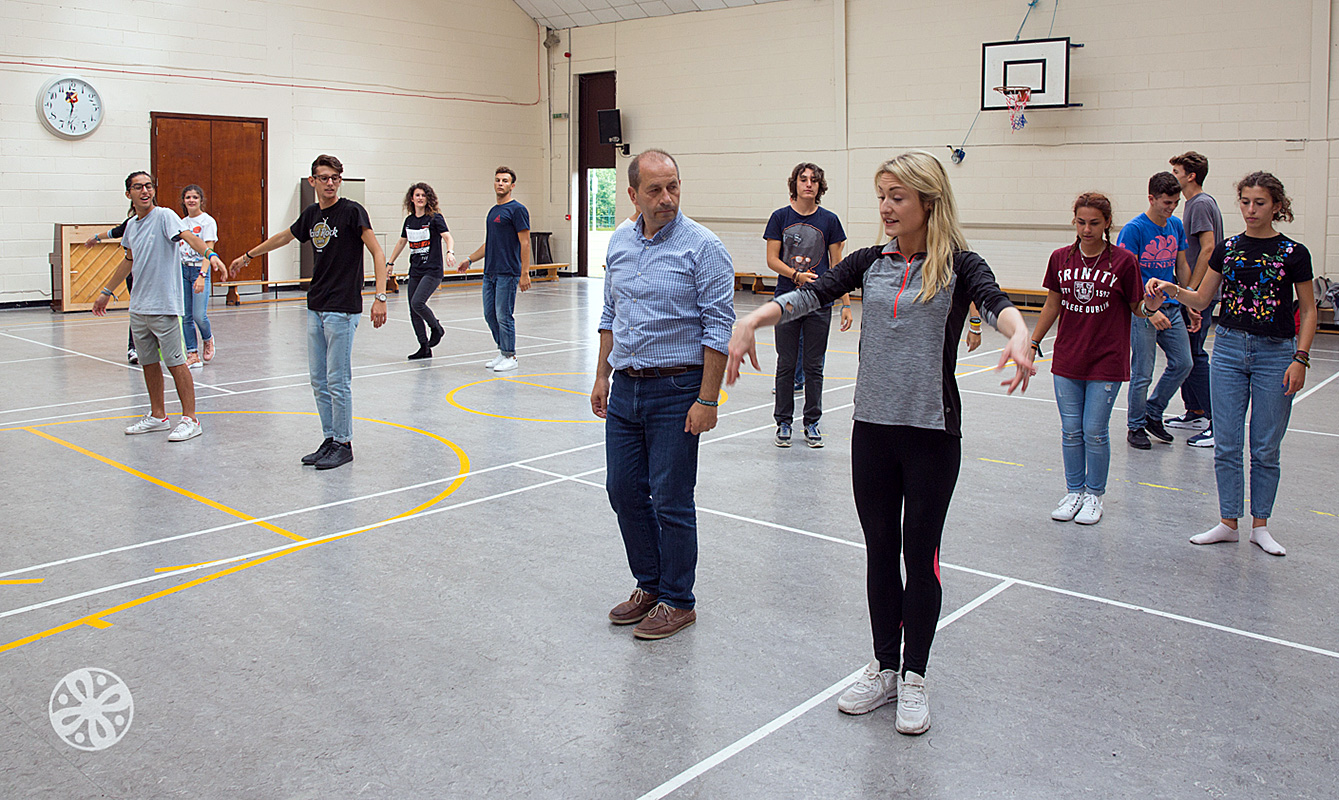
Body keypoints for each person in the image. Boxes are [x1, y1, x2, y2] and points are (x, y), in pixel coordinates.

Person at [728, 151, 1033, 735]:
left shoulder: (960, 266)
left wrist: (1020, 336)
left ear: (928, 202)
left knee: (920, 556)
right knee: (879, 553)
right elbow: (811, 295)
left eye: (898, 196)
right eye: (882, 196)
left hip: (931, 435)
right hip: (872, 431)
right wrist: (752, 320)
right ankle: (884, 667)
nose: (887, 207)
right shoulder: (870, 262)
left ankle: (915, 676)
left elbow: (999, 305)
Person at [591, 149, 734, 641]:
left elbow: (719, 328)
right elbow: (610, 313)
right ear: (633, 195)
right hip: (626, 387)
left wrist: (708, 399)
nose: (667, 198)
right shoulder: (620, 242)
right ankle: (649, 585)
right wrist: (602, 375)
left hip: (677, 390)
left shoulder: (703, 247)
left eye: (673, 186)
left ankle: (678, 599)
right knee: (623, 490)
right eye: (655, 190)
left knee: (672, 499)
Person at [1144, 171, 1317, 556]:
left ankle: (1260, 525)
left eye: (1260, 203)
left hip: (1276, 352)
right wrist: (1173, 289)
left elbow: (1308, 310)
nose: (1251, 209)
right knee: (1226, 443)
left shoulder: (1294, 253)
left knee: (1265, 446)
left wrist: (1300, 358)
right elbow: (1202, 299)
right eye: (1245, 202)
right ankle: (1228, 522)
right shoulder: (1228, 249)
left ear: (1276, 206)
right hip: (1229, 349)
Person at [228, 154, 389, 470]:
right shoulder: (312, 214)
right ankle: (330, 438)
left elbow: (377, 252)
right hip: (316, 306)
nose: (330, 183)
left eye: (335, 178)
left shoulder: (352, 211)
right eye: (324, 178)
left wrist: (380, 296)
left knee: (337, 379)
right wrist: (248, 256)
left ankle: (344, 443)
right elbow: (284, 236)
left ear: (340, 181)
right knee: (319, 380)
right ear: (313, 181)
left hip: (342, 308)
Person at [1028, 193, 1143, 525]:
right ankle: (1074, 491)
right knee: (1070, 430)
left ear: (1107, 223)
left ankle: (1094, 495)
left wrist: (1152, 308)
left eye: (1094, 223)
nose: (1087, 229)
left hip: (1106, 359)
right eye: (1081, 222)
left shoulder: (1124, 262)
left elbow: (1137, 307)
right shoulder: (1060, 258)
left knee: (1094, 430)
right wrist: (1033, 342)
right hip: (1068, 358)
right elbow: (1052, 304)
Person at [90, 171, 225, 442]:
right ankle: (158, 415)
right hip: (139, 307)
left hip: (164, 305)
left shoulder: (164, 216)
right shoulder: (131, 226)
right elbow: (128, 261)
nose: (145, 191)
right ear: (128, 194)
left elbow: (189, 237)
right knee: (149, 363)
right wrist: (106, 292)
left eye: (148, 186)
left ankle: (191, 419)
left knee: (176, 363)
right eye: (138, 187)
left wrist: (210, 254)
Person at [763, 162, 852, 448]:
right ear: (795, 184)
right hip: (787, 300)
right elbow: (772, 259)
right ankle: (783, 422)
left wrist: (846, 303)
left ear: (820, 186)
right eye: (803, 179)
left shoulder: (830, 221)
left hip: (818, 301)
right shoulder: (780, 217)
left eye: (814, 180)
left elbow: (838, 265)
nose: (809, 184)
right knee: (786, 363)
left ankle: (812, 422)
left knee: (814, 366)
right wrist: (796, 276)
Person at [1117, 171, 1192, 450]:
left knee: (1183, 363)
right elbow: (1127, 275)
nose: (1171, 208)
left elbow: (1181, 265)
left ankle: (1153, 410)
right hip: (1143, 311)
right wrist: (1149, 310)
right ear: (1151, 198)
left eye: (1175, 203)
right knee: (1143, 372)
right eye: (1166, 203)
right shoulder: (1134, 229)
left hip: (1171, 306)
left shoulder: (1176, 225)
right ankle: (1136, 425)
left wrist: (1188, 299)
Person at [1166, 151, 1224, 447]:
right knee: (1187, 353)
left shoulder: (1199, 204)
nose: (1172, 176)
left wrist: (1192, 291)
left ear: (1191, 176)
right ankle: (1196, 411)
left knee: (1194, 355)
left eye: (1176, 172)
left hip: (1199, 293)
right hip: (1193, 292)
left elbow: (1208, 247)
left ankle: (1217, 422)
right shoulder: (1193, 204)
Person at [457, 167, 530, 373]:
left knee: (504, 315)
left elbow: (525, 243)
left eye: (505, 181)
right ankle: (502, 350)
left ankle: (510, 355)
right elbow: (488, 243)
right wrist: (469, 259)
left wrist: (524, 273)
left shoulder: (517, 210)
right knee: (490, 314)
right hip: (490, 272)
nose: (500, 183)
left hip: (508, 272)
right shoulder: (493, 212)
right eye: (498, 180)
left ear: (512, 186)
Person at [386, 183, 455, 360]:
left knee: (418, 302)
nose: (420, 198)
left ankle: (436, 328)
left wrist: (450, 252)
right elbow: (401, 242)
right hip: (415, 270)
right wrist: (390, 262)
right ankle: (424, 347)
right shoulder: (409, 221)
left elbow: (447, 237)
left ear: (428, 198)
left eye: (424, 195)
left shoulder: (435, 218)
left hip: (432, 270)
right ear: (412, 198)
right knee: (413, 309)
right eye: (417, 195)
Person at [178, 185, 220, 369]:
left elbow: (208, 250)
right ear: (183, 200)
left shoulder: (207, 222)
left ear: (201, 200)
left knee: (198, 315)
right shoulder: (181, 222)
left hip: (199, 270)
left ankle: (207, 338)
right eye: (188, 197)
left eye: (195, 197)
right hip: (183, 270)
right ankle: (192, 353)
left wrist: (202, 275)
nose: (191, 200)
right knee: (186, 315)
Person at [85, 216, 138, 363]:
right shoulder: (132, 223)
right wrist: (96, 237)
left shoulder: (162, 218)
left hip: (155, 276)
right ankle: (133, 348)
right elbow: (115, 232)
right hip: (135, 275)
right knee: (138, 311)